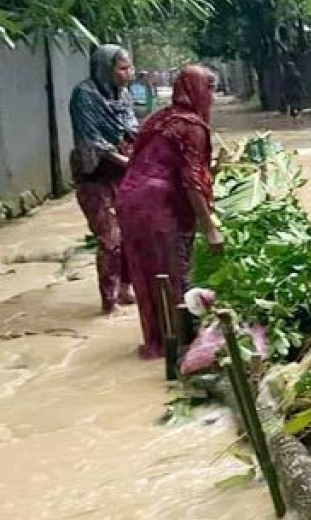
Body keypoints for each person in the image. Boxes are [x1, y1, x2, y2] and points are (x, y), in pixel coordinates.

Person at [117, 65, 224, 360]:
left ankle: (157, 339)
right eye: (210, 90)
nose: (212, 98)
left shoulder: (158, 119)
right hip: (158, 204)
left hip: (129, 199)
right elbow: (191, 180)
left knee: (147, 272)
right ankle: (177, 346)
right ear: (198, 90)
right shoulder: (191, 126)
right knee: (173, 271)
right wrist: (210, 228)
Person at [69, 44, 139, 316]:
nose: (128, 74)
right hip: (96, 174)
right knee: (110, 237)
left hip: (123, 171)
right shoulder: (84, 95)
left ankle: (126, 288)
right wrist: (125, 161)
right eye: (122, 69)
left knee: (132, 229)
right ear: (105, 69)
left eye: (129, 68)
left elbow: (132, 129)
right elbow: (92, 140)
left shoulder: (124, 95)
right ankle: (109, 301)